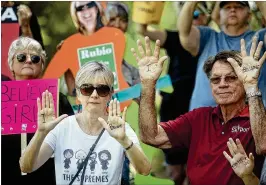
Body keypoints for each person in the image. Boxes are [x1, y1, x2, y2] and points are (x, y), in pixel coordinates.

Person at [131, 36, 266, 185]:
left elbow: (264, 145)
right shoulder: (199, 117)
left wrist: (252, 85)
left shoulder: (257, 117)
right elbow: (150, 136)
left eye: (231, 78)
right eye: (215, 80)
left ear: (243, 80)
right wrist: (148, 84)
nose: (222, 84)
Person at [20, 61, 151, 185]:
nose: (94, 95)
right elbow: (26, 167)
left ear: (110, 94)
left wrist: (124, 140)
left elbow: (144, 170)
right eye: (87, 89)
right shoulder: (62, 127)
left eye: (102, 89)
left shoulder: (121, 129)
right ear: (78, 93)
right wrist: (40, 133)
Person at [134, 3, 209, 185]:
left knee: (197, 174)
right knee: (176, 174)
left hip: (202, 114)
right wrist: (148, 8)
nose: (193, 18)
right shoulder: (175, 38)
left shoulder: (212, 39)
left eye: (197, 13)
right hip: (174, 111)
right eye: (188, 14)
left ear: (207, 17)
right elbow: (142, 30)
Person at [2, 36, 74, 185]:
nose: (28, 60)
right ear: (11, 64)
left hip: (47, 177)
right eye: (21, 57)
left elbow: (71, 140)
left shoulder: (58, 99)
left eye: (35, 58)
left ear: (41, 66)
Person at [178, 1, 266, 110]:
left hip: (249, 121)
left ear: (249, 15)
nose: (232, 9)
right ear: (219, 14)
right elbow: (184, 32)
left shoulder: (260, 38)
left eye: (238, 6)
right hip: (202, 121)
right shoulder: (207, 36)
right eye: (227, 7)